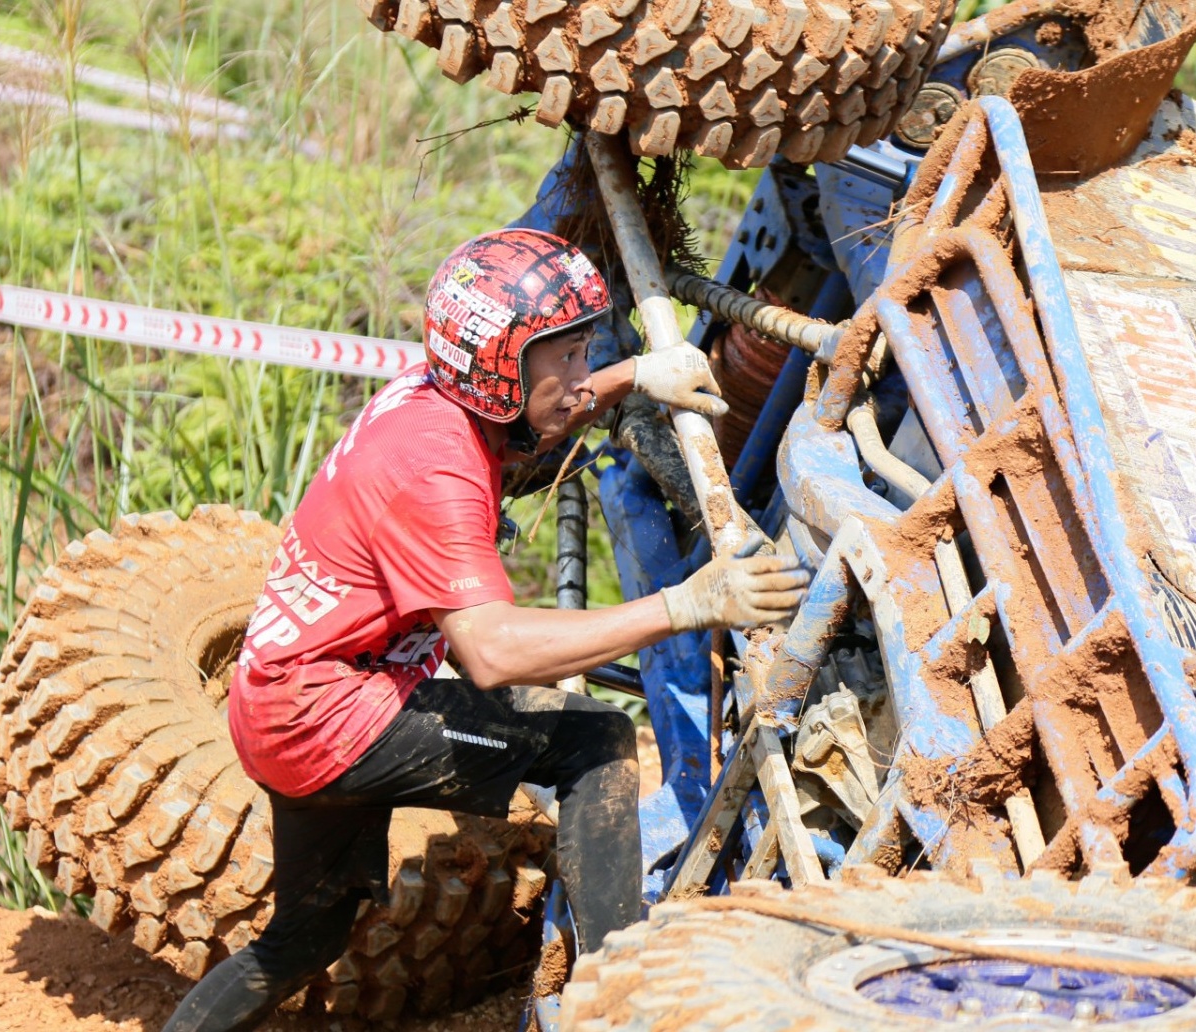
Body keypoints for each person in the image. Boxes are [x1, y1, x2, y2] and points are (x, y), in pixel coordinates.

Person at [160, 229, 811, 1030]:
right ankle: (619, 996)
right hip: (332, 718)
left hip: (279, 706)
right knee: (594, 741)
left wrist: (631, 375)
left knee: (308, 933)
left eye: (583, 353)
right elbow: (493, 653)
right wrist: (690, 604)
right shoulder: (435, 471)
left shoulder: (430, 398)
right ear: (501, 365)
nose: (577, 376)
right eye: (564, 359)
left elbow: (528, 425)